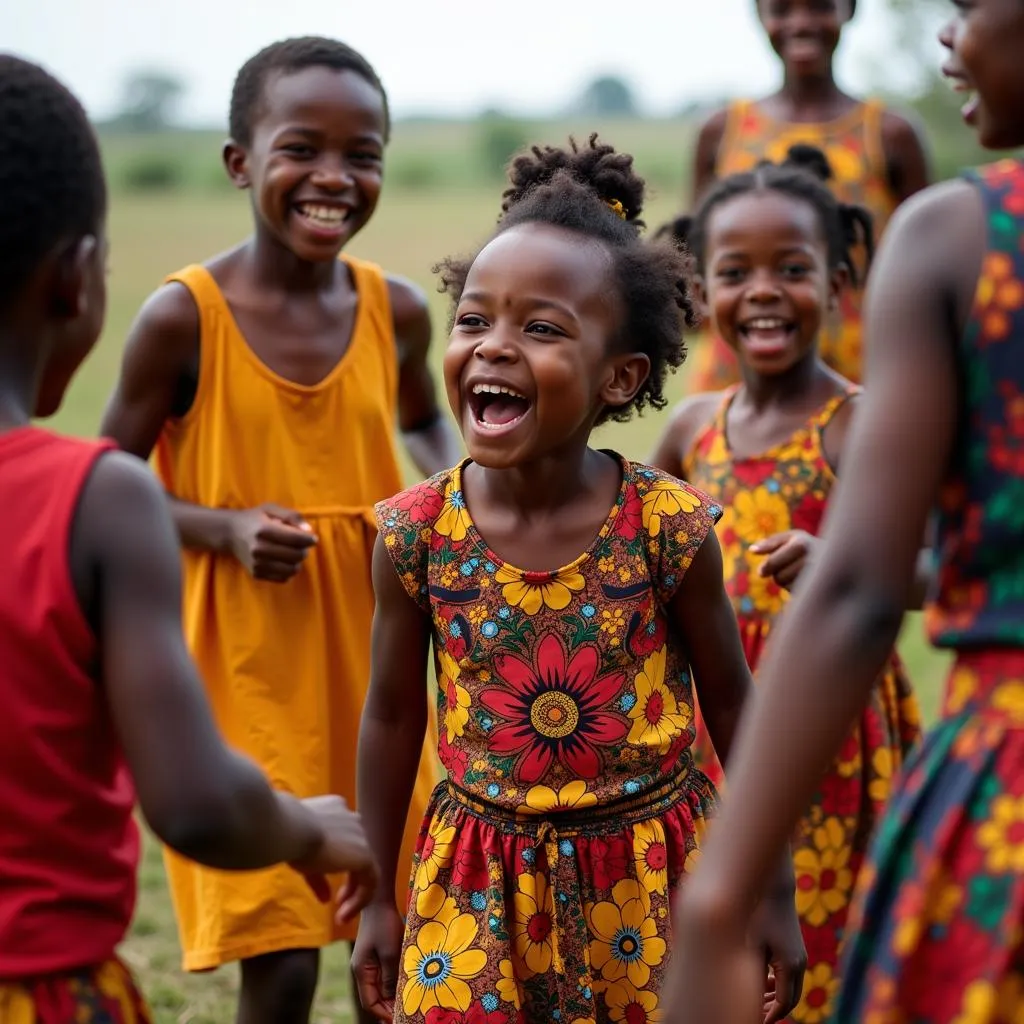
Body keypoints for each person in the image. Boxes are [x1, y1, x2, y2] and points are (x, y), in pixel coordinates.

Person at [347, 134, 806, 1024]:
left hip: (654, 878)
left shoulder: (666, 528)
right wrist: (377, 893)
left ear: (619, 377)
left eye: (542, 329)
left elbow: (738, 710)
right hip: (474, 877)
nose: (494, 348)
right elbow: (393, 716)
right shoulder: (415, 535)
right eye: (474, 320)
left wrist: (772, 893)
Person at [0, 54, 379, 1024]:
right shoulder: (88, 498)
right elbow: (197, 801)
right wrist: (304, 829)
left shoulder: (390, 311)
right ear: (77, 280)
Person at [666, 2, 1024, 1022]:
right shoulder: (693, 430)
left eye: (963, 7)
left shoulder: (965, 234)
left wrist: (720, 897)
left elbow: (866, 587)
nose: (948, 38)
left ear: (841, 277)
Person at [99, 37, 459, 1024]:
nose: (335, 178)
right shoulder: (184, 318)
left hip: (379, 659)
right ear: (239, 162)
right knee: (287, 950)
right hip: (243, 664)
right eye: (303, 147)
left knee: (408, 928)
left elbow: (424, 419)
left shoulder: (400, 310)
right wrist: (219, 527)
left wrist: (460, 480)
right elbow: (106, 487)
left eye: (365, 153)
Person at [650, 144, 921, 1023]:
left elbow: (943, 563)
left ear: (840, 280)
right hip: (709, 733)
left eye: (793, 269)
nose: (763, 290)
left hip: (828, 733)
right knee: (718, 950)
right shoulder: (692, 430)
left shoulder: (862, 422)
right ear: (702, 290)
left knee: (824, 943)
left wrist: (850, 567)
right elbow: (631, 548)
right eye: (736, 271)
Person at [685, 0, 930, 393]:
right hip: (737, 372)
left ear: (848, 9)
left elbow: (926, 268)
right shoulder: (722, 131)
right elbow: (691, 253)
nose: (800, 23)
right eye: (781, 9)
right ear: (760, 16)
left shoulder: (889, 134)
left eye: (819, 6)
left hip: (858, 369)